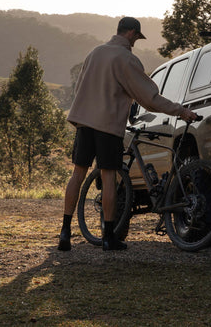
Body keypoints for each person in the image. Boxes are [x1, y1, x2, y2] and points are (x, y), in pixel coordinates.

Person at [58, 16, 198, 251]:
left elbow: (81, 86)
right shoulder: (126, 59)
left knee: (78, 174)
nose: (136, 42)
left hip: (84, 122)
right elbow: (150, 98)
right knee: (109, 177)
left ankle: (64, 231)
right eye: (136, 37)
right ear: (132, 33)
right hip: (107, 126)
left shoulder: (94, 53)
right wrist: (180, 111)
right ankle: (108, 236)